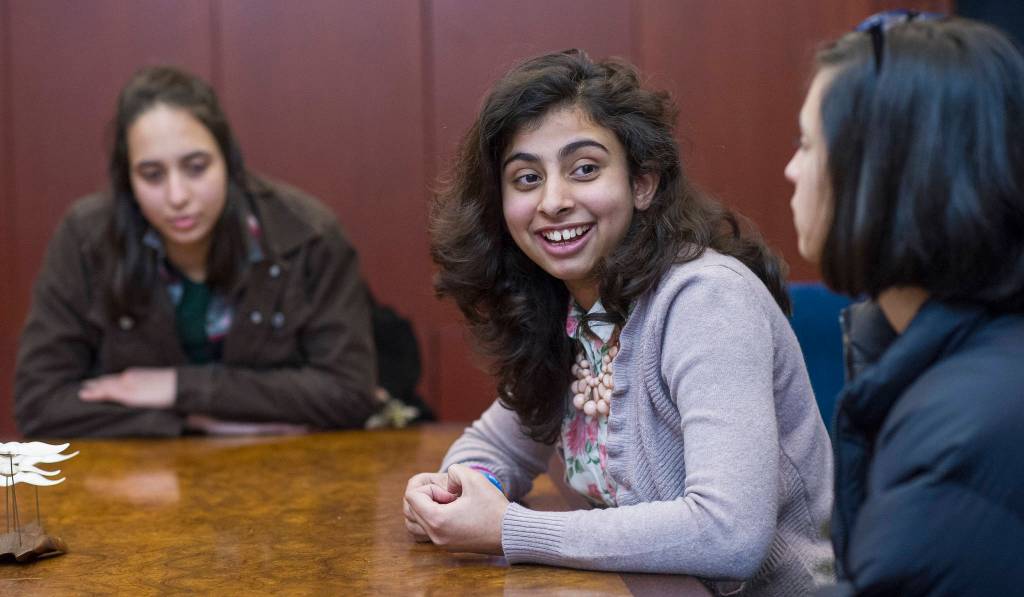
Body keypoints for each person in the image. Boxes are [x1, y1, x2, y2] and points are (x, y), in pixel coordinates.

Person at [404, 50, 833, 596]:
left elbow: (731, 535)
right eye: (526, 178)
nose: (554, 202)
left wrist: (509, 528)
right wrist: (457, 492)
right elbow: (499, 445)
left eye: (584, 169)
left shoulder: (705, 301)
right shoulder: (573, 308)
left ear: (643, 183)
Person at [784, 12, 1024, 596]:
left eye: (809, 144)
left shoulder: (964, 432)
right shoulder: (941, 350)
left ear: (887, 173)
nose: (791, 170)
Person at [14, 66, 378, 437]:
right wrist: (193, 422)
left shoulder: (306, 235)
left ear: (229, 162)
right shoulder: (85, 239)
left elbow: (349, 394)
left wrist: (176, 386)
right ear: (128, 180)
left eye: (196, 167)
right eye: (152, 175)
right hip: (138, 482)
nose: (178, 197)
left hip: (290, 473)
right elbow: (39, 404)